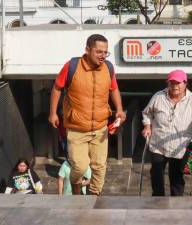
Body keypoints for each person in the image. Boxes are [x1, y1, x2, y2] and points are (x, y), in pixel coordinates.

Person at [48, 34, 126, 195]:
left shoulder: (108, 68)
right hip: (77, 128)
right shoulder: (72, 66)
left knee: (100, 166)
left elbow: (114, 89)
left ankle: (93, 194)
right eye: (99, 52)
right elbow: (56, 88)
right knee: (80, 166)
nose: (103, 56)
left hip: (100, 127)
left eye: (105, 52)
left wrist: (119, 108)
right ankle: (76, 184)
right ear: (87, 50)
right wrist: (53, 113)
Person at [141, 69, 192, 196]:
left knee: (176, 178)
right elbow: (147, 113)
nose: (174, 86)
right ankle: (157, 202)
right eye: (171, 83)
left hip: (180, 147)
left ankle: (177, 204)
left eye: (178, 83)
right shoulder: (158, 96)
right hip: (158, 144)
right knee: (156, 175)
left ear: (185, 83)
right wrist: (147, 126)